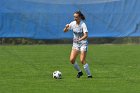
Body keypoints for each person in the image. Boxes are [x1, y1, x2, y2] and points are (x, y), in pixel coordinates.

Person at [64, 11, 92, 78]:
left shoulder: (83, 24)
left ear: (79, 17)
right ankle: (80, 72)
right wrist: (66, 27)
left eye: (76, 17)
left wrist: (79, 39)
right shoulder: (72, 23)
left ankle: (89, 75)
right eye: (74, 17)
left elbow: (86, 35)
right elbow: (64, 31)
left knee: (82, 60)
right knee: (72, 60)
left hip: (83, 44)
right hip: (75, 45)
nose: (75, 18)